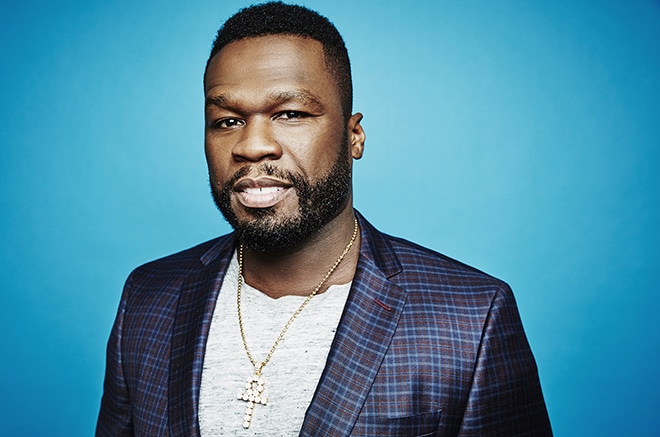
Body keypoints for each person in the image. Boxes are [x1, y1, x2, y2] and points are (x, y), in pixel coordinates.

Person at [96, 2, 552, 436]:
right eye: (227, 121)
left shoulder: (471, 318)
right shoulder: (148, 297)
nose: (252, 146)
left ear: (354, 136)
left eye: (291, 114)